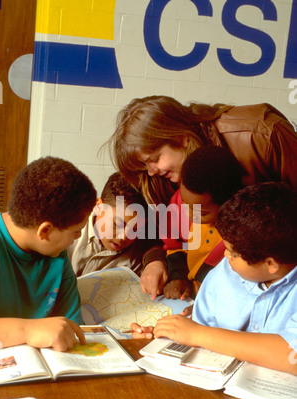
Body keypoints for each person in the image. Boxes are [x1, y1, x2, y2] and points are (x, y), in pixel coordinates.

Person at [107, 96, 297, 298]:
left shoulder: (261, 134)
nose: (151, 172)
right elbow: (160, 228)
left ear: (181, 137)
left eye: (153, 159)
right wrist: (156, 259)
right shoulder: (163, 175)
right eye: (144, 165)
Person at [132, 182, 297, 375]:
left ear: (271, 264)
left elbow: (291, 356)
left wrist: (197, 334)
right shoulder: (226, 272)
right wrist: (166, 334)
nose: (226, 257)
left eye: (233, 253)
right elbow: (200, 333)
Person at [0, 156, 97, 352]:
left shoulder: (56, 254)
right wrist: (28, 330)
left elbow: (72, 325)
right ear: (45, 231)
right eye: (76, 231)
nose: (76, 239)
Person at [162, 145, 245, 300]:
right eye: (185, 204)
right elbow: (175, 245)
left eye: (202, 212)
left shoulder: (239, 232)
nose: (191, 215)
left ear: (227, 204)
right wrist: (178, 276)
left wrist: (202, 286)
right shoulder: (182, 202)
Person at [68, 172, 155, 277]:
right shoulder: (65, 229)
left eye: (135, 230)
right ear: (99, 207)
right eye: (118, 224)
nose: (124, 237)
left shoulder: (136, 259)